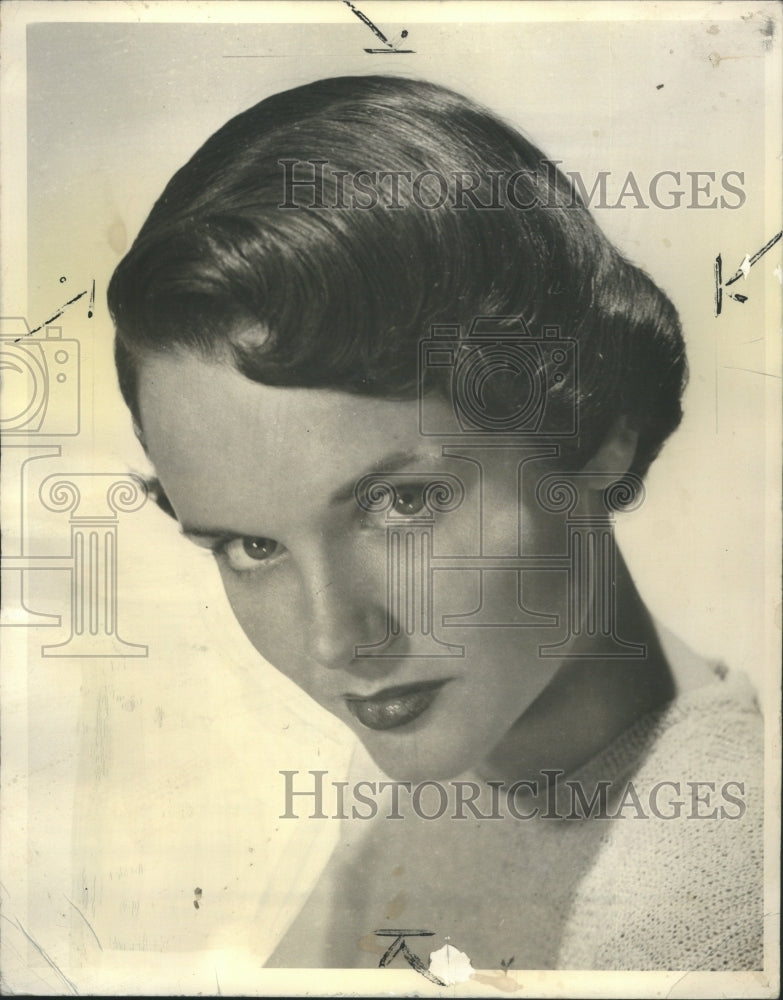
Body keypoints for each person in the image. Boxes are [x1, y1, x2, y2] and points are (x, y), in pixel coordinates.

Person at [106, 75, 763, 972]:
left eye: (402, 504)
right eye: (253, 547)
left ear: (600, 432)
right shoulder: (447, 776)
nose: (340, 639)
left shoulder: (687, 915)